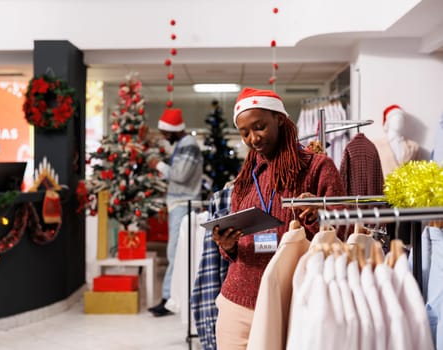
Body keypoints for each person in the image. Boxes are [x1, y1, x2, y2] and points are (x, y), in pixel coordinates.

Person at [210, 88, 345, 349]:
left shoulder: (317, 167)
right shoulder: (246, 177)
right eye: (244, 132)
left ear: (280, 120)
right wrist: (228, 245)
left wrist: (317, 216)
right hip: (238, 300)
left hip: (291, 298)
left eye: (259, 127)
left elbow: (341, 233)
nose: (253, 138)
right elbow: (236, 248)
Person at [147, 108, 203, 317]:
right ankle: (171, 298)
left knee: (174, 252)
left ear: (172, 131)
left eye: (164, 132)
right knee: (176, 252)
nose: (162, 136)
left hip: (183, 204)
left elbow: (180, 175)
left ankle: (169, 299)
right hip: (179, 204)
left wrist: (157, 164)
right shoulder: (184, 145)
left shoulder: (188, 145)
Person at [375, 104, 419, 177]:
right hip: (383, 186)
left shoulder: (413, 147)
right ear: (387, 122)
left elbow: (416, 171)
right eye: (394, 118)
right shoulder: (376, 145)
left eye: (401, 118)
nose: (398, 121)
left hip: (406, 186)